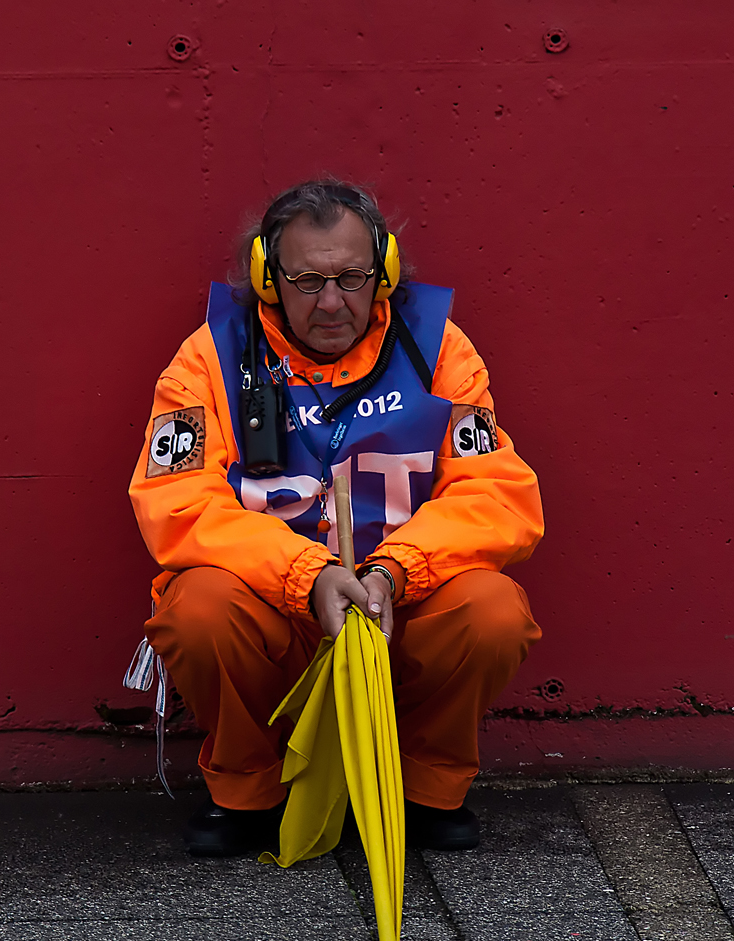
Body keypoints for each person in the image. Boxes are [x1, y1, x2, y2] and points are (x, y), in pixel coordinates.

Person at [128, 180, 544, 856]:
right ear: (267, 277)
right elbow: (177, 504)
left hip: (397, 607)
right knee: (195, 608)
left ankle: (425, 787)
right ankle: (248, 790)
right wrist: (307, 577)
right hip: (273, 612)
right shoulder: (208, 358)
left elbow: (497, 493)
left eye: (352, 278)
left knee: (492, 610)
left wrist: (395, 571)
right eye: (306, 280)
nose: (331, 303)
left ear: (384, 271)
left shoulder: (439, 350)